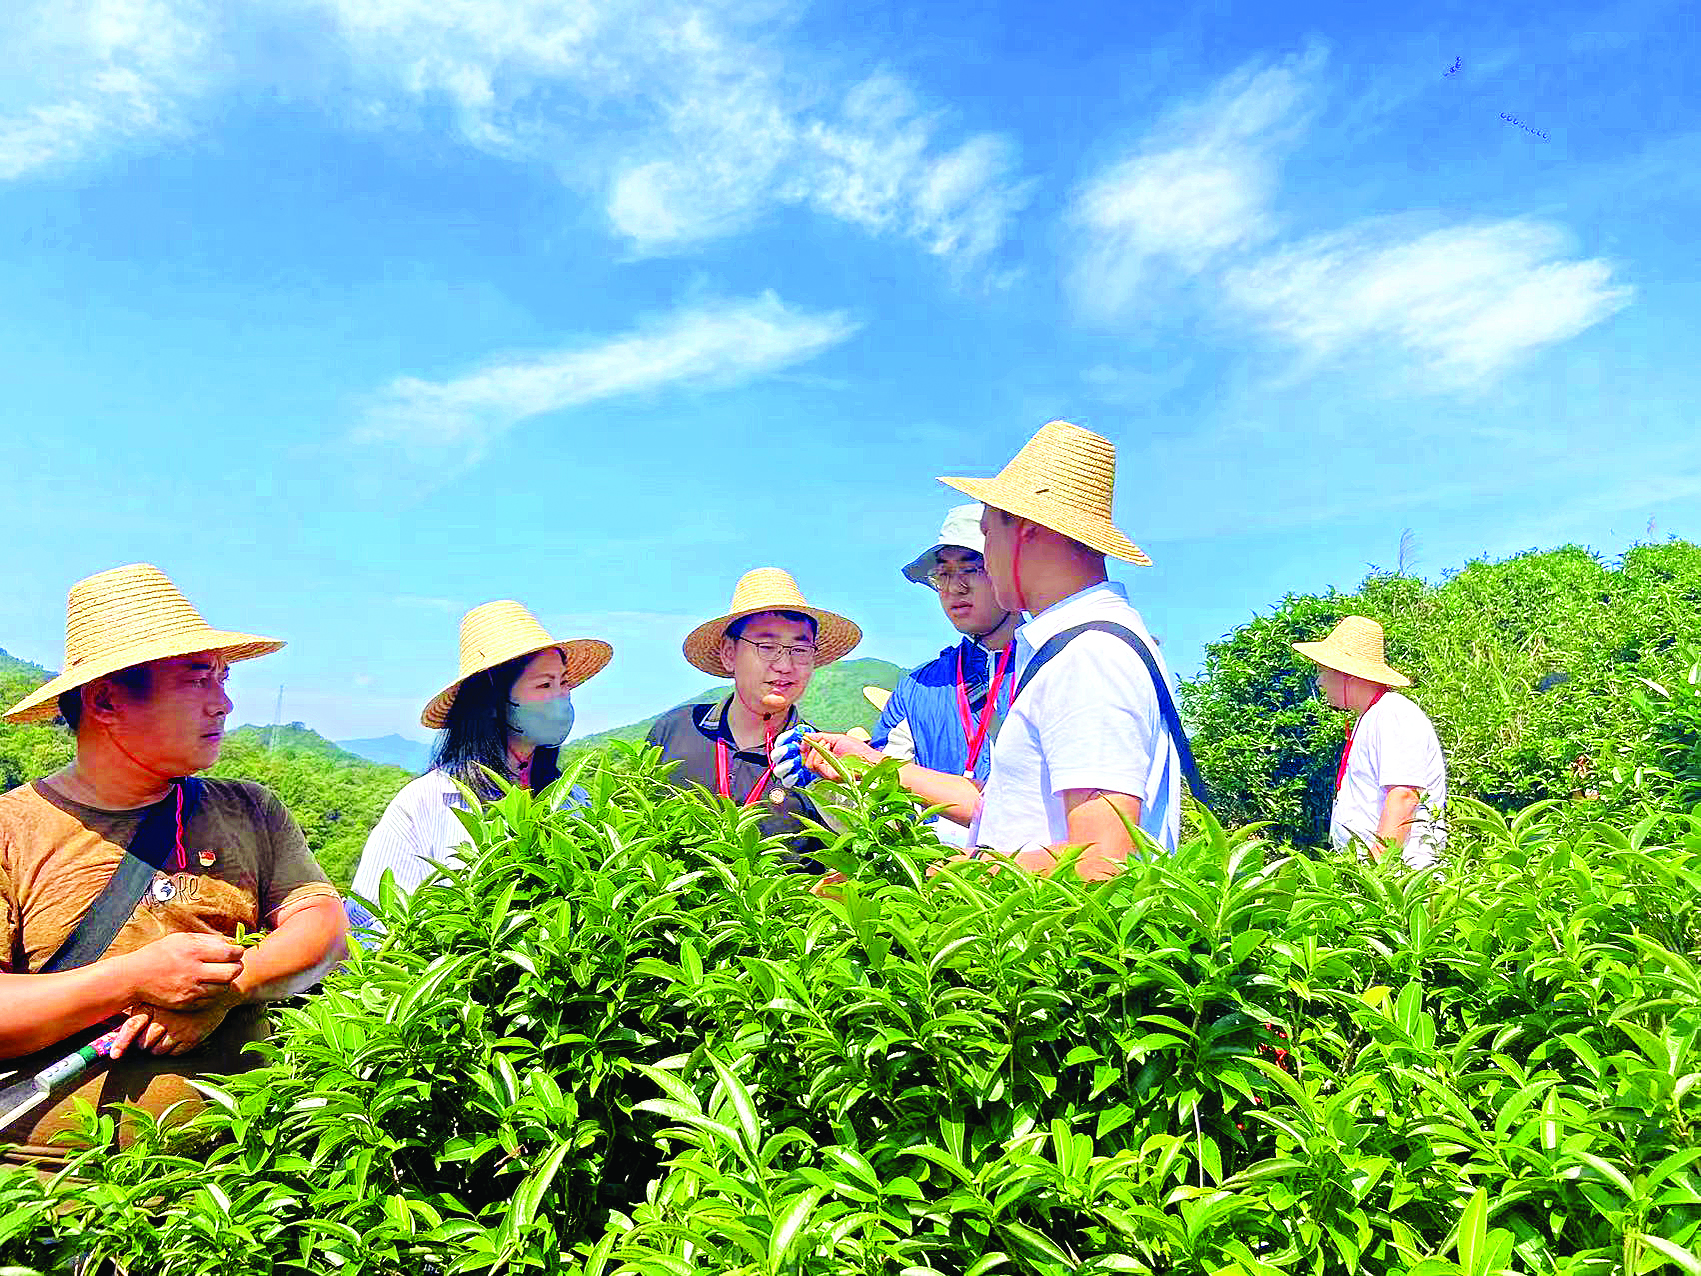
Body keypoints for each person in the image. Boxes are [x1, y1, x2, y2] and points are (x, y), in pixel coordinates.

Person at [0, 564, 347, 1171]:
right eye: (196, 679)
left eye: (223, 675)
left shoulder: (250, 811)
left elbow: (323, 930)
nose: (225, 701)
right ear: (106, 699)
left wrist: (227, 989)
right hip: (45, 1192)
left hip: (233, 1189)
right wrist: (132, 979)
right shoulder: (12, 830)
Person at [799, 421, 1186, 879]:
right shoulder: (1072, 648)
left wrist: (924, 879)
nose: (957, 582)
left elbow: (1103, 857)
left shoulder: (1087, 656)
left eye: (985, 535)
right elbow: (1008, 811)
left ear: (1023, 529)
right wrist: (872, 763)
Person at [350, 601, 612, 908]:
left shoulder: (574, 799)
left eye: (563, 682)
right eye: (544, 684)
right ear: (493, 700)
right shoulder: (428, 802)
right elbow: (370, 924)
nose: (561, 696)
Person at [646, 569, 860, 860]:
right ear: (729, 653)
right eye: (767, 647)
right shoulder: (676, 730)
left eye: (800, 649)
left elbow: (852, 860)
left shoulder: (819, 758)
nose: (785, 665)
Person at [866, 504, 1021, 845]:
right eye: (944, 575)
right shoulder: (917, 686)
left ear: (1007, 566)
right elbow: (881, 795)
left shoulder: (1048, 665)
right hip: (939, 883)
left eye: (971, 568)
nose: (955, 587)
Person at [1293, 616, 1447, 869]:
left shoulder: (1393, 713)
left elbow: (1404, 796)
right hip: (1375, 874)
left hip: (1401, 879)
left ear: (1348, 674)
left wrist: (1380, 869)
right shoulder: (1371, 716)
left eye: (1323, 671)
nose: (1319, 681)